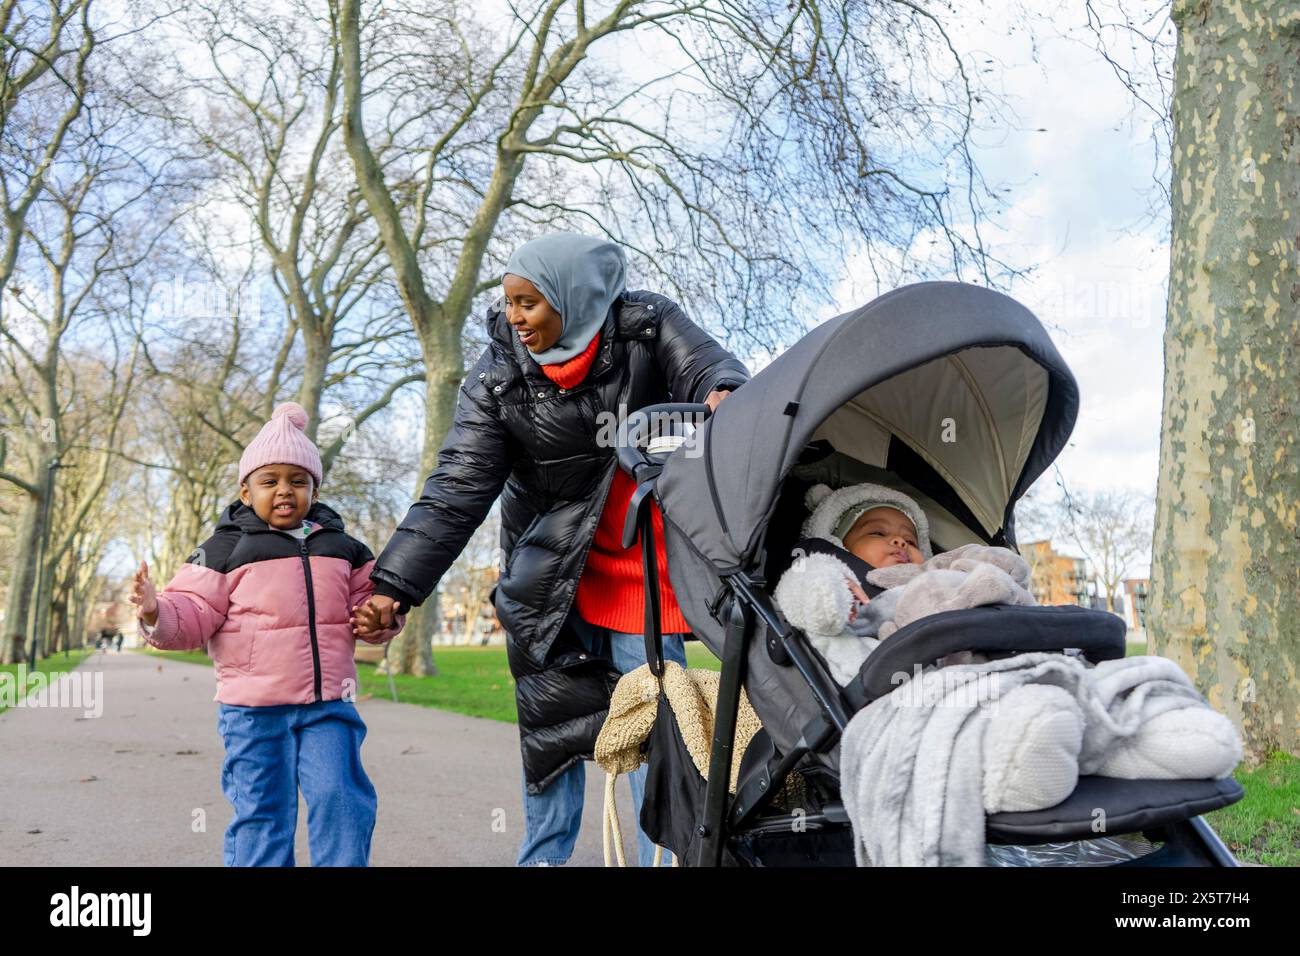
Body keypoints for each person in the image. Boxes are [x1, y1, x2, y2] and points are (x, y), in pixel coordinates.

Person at [353, 233, 749, 866]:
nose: (515, 317)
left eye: (529, 303)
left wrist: (726, 394)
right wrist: (393, 585)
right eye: (509, 303)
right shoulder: (498, 378)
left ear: (575, 297)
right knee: (552, 738)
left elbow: (708, 365)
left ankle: (666, 859)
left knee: (655, 731)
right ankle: (541, 861)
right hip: (550, 580)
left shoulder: (644, 327)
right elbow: (457, 487)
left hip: (644, 577)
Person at [129, 402, 404, 866]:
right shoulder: (225, 547)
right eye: (269, 480)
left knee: (343, 800)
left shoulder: (344, 548)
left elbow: (370, 607)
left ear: (315, 490)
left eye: (298, 481)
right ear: (245, 489)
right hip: (253, 713)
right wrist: (157, 610)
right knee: (264, 813)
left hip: (328, 706)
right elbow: (194, 612)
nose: (284, 491)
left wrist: (381, 619)